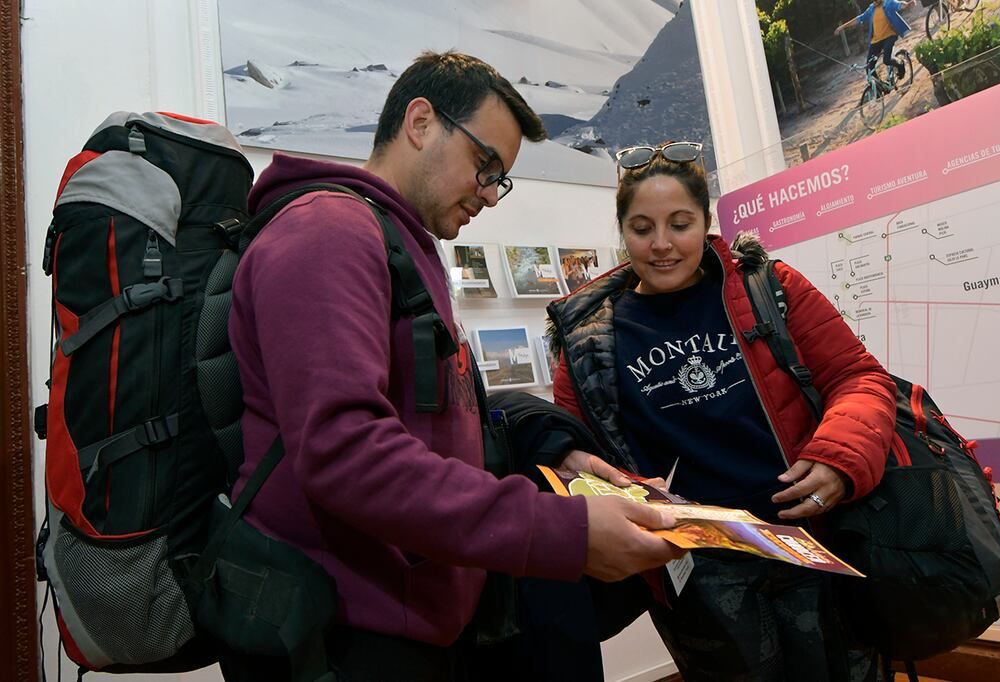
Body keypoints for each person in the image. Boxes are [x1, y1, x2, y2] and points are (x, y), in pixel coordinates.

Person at [222, 51, 683, 681]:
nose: (491, 195)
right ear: (420, 122)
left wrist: (553, 449)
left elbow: (446, 417)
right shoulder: (327, 232)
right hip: (343, 639)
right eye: (485, 166)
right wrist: (560, 531)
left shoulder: (401, 243)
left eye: (502, 179)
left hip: (412, 625)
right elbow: (343, 449)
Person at [546, 141, 898, 681]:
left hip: (808, 540)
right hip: (696, 570)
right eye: (643, 228)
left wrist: (839, 457)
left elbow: (858, 377)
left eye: (680, 223)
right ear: (623, 233)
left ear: (707, 222)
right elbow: (579, 458)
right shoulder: (587, 336)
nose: (662, 244)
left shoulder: (768, 287)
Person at [835, 0, 917, 82]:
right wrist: (842, 27)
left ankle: (900, 64)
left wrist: (908, 4)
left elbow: (900, 5)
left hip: (889, 36)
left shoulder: (888, 3)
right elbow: (859, 19)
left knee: (887, 60)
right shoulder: (871, 9)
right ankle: (879, 87)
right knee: (869, 68)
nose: (875, 1)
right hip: (876, 41)